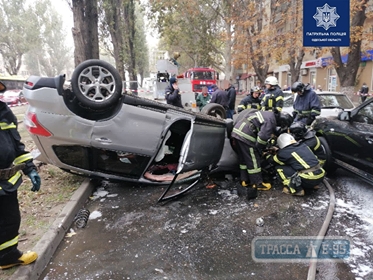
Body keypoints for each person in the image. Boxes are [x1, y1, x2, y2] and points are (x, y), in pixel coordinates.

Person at [0, 81, 42, 270]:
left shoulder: (4, 112)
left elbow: (17, 146)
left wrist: (30, 168)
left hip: (6, 181)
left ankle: (7, 256)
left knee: (10, 219)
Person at [231, 110, 286, 200]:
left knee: (243, 159)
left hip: (237, 131)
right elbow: (262, 138)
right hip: (246, 135)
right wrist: (261, 149)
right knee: (253, 160)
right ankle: (257, 183)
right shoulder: (271, 120)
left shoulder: (267, 114)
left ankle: (244, 180)